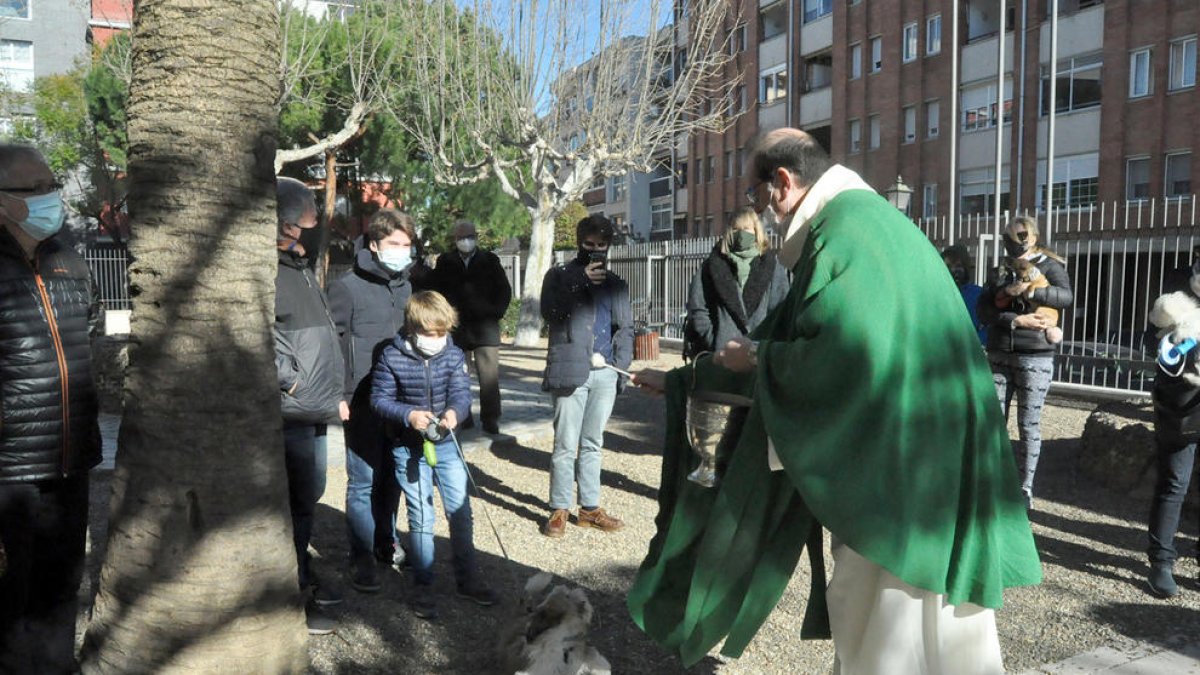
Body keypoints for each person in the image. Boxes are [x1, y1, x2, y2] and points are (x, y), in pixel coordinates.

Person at [627, 129, 1041, 674]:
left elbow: (838, 360)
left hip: (900, 482)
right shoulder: (867, 223)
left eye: (755, 196)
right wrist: (689, 376)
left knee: (893, 630)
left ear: (782, 182)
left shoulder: (843, 233)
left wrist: (759, 358)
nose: (760, 213)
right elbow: (800, 338)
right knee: (937, 636)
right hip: (924, 455)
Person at [0, 144, 102, 672]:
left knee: (60, 590)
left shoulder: (67, 254)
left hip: (70, 456)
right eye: (34, 189)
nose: (50, 199)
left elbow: (85, 328)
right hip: (10, 469)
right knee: (10, 601)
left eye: (50, 185)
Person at [369, 290, 497, 619]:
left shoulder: (453, 355)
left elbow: (460, 393)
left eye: (442, 333)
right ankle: (423, 585)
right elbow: (379, 400)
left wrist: (454, 413)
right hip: (407, 446)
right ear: (413, 328)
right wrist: (409, 415)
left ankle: (467, 579)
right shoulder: (390, 355)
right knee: (421, 516)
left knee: (460, 511)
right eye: (429, 333)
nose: (436, 339)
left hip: (446, 444)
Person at [327, 209, 417, 594]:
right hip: (361, 402)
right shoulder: (346, 287)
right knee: (363, 481)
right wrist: (339, 394)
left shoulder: (408, 288)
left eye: (407, 245)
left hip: (400, 402)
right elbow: (333, 346)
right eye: (394, 244)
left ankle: (386, 540)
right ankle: (360, 556)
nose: (401, 251)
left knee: (393, 478)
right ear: (376, 245)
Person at [274, 176, 345, 635]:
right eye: (304, 222)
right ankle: (293, 595)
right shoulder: (267, 269)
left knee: (307, 499)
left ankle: (300, 571)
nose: (312, 229)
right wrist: (291, 382)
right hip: (290, 411)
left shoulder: (298, 265)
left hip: (314, 408)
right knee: (293, 504)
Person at [540, 214, 633, 538]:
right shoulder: (559, 275)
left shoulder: (617, 285)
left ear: (609, 247)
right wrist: (580, 279)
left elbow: (626, 329)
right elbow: (550, 314)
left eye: (601, 246)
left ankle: (590, 508)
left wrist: (622, 368)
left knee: (593, 442)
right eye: (588, 245)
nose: (595, 251)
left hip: (606, 372)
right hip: (570, 369)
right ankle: (559, 508)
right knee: (565, 443)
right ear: (579, 243)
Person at [977, 215, 1072, 508]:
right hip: (1000, 352)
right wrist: (1017, 319)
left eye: (1021, 235)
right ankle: (991, 483)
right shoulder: (999, 270)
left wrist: (1032, 291)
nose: (1016, 241)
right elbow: (984, 310)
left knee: (1028, 425)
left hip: (1036, 356)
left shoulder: (1051, 266)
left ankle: (1023, 489)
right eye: (1011, 236)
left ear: (1033, 236)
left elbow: (1065, 297)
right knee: (993, 423)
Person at [1143, 254, 1200, 598]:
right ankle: (1161, 562)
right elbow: (1158, 348)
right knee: (1174, 483)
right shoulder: (1175, 301)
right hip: (1182, 405)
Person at [428, 219, 513, 435]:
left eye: (469, 236)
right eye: (461, 237)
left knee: (489, 378)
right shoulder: (445, 261)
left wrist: (495, 312)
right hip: (457, 328)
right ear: (455, 239)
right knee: (458, 376)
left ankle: (491, 418)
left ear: (476, 237)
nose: (465, 240)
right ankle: (462, 416)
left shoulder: (490, 260)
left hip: (485, 328)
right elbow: (435, 289)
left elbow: (504, 290)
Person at [683, 206, 789, 359]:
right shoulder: (712, 266)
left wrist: (762, 347)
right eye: (736, 229)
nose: (741, 234)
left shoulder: (771, 266)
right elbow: (698, 307)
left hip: (756, 358)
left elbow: (780, 311)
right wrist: (715, 341)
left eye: (746, 228)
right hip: (720, 359)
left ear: (756, 230)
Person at [941, 243, 986, 344]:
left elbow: (986, 328)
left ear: (966, 268)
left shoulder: (979, 294)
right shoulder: (936, 294)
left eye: (958, 265)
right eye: (948, 266)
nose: (953, 270)